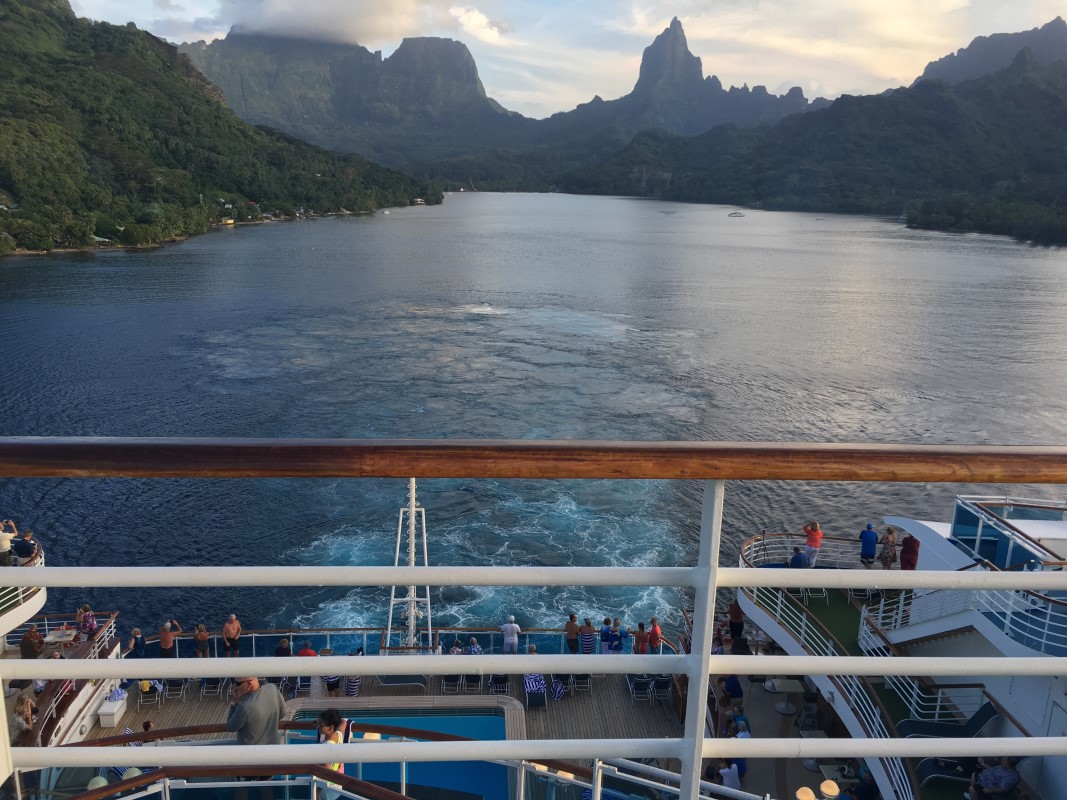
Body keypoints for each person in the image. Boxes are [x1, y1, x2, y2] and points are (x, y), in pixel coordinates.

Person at [226, 676, 286, 790]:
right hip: (269, 755)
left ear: (248, 684)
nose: (234, 687)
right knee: (266, 788)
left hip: (248, 759)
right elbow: (282, 713)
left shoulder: (245, 707)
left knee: (242, 790)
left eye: (237, 684)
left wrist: (235, 704)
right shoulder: (272, 689)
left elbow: (230, 726)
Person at [317, 708, 346, 797]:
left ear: (331, 727)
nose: (318, 727)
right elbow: (344, 722)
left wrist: (316, 792)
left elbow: (325, 771)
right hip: (337, 786)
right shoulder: (339, 735)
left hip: (326, 790)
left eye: (321, 725)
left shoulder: (326, 747)